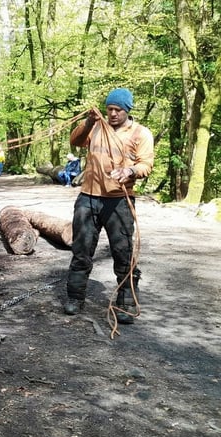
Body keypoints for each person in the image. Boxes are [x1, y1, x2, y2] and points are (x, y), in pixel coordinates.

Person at [63, 88, 154, 324]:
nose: (112, 114)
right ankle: (75, 298)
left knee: (123, 253)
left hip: (119, 200)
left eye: (118, 110)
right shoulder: (97, 126)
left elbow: (146, 164)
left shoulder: (140, 134)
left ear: (127, 110)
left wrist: (130, 170)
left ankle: (125, 302)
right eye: (109, 109)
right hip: (88, 197)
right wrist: (89, 121)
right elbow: (75, 141)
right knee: (81, 250)